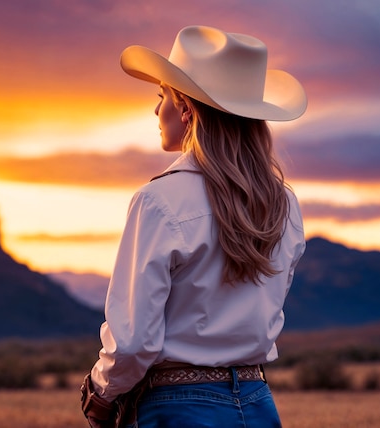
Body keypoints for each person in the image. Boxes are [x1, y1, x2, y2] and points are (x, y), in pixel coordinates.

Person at [81, 25, 307, 428]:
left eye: (162, 97)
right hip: (258, 404)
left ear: (186, 108)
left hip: (177, 408)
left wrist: (102, 390)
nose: (156, 111)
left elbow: (133, 342)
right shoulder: (284, 204)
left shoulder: (158, 201)